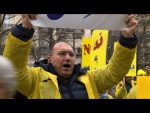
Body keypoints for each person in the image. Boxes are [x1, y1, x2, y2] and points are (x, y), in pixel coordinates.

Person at [3, 14, 138, 99]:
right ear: (49, 59)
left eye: (72, 54)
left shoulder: (91, 79)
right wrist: (24, 29)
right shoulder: (35, 79)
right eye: (62, 53)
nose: (68, 57)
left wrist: (127, 39)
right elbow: (14, 69)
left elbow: (115, 71)